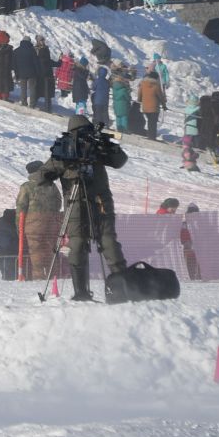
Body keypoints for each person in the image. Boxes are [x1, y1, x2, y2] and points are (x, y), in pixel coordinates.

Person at [36, 116, 129, 301]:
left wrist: (58, 165)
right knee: (108, 242)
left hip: (76, 204)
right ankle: (123, 291)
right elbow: (120, 161)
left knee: (77, 244)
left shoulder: (66, 149)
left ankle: (81, 293)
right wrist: (106, 145)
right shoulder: (93, 147)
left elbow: (39, 177)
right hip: (100, 203)